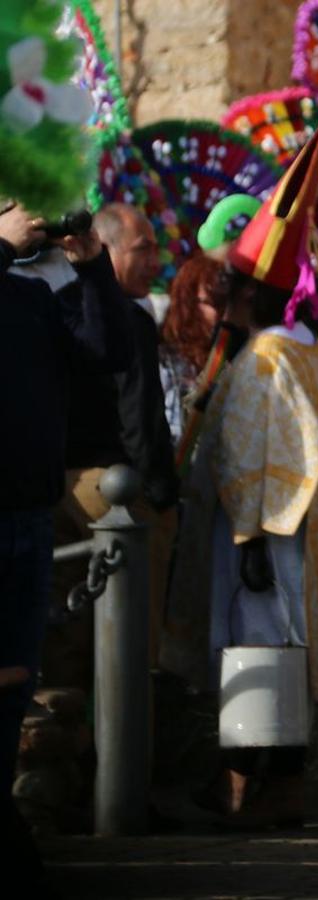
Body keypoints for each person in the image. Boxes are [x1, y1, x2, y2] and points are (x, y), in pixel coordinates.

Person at [164, 119, 318, 827]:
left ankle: (253, 786)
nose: (224, 299)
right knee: (278, 655)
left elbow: (261, 456)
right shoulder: (303, 349)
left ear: (252, 296)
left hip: (261, 539)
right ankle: (266, 784)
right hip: (293, 535)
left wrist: (254, 534)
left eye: (232, 289)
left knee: (258, 657)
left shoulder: (266, 359)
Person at [0, 201, 126, 885]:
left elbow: (105, 353)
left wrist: (93, 269)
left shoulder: (27, 296)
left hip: (28, 519)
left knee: (15, 687)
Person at [46, 203, 179, 685]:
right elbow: (139, 416)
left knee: (67, 642)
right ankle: (133, 755)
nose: (156, 260)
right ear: (105, 249)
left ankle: (73, 751)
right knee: (133, 644)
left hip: (53, 491)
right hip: (113, 494)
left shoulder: (56, 307)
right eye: (144, 248)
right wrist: (159, 494)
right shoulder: (126, 319)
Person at [161, 253, 223, 444]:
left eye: (224, 303)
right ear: (189, 303)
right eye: (212, 303)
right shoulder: (167, 360)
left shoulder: (227, 355)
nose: (220, 313)